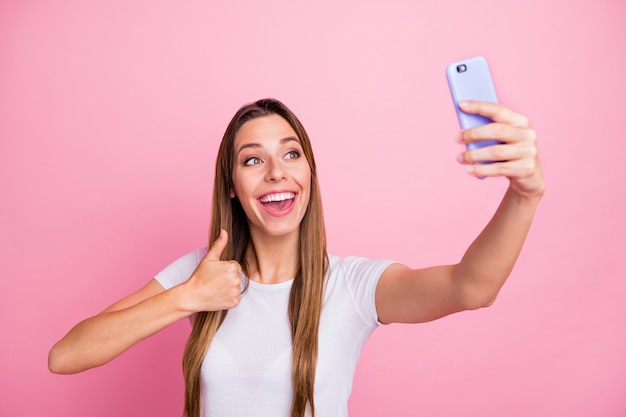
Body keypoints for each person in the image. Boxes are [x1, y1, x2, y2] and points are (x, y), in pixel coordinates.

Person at [48, 98, 545, 417]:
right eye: (251, 160)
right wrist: (186, 297)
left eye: (290, 154)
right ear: (233, 188)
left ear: (309, 173)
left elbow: (470, 288)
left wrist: (524, 195)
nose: (275, 173)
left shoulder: (351, 286)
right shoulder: (200, 274)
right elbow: (65, 356)